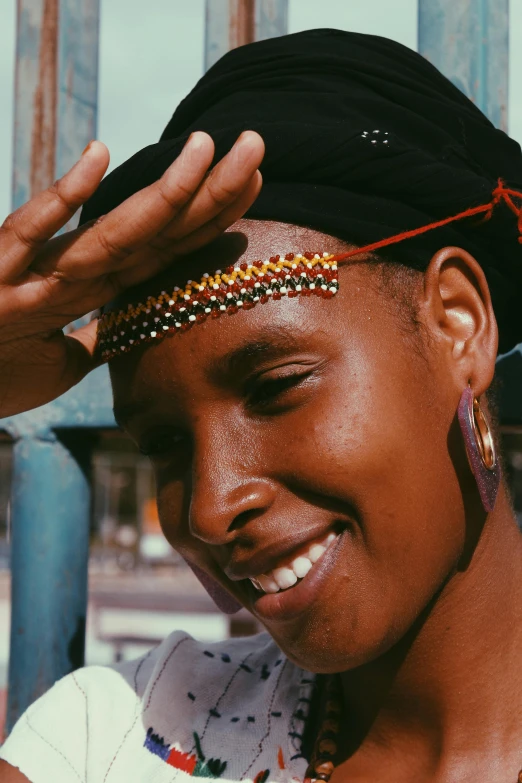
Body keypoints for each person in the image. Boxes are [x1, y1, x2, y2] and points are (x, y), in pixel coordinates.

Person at [1, 27, 522, 783]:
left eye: (276, 388)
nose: (211, 509)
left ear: (457, 321)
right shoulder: (123, 737)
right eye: (167, 446)